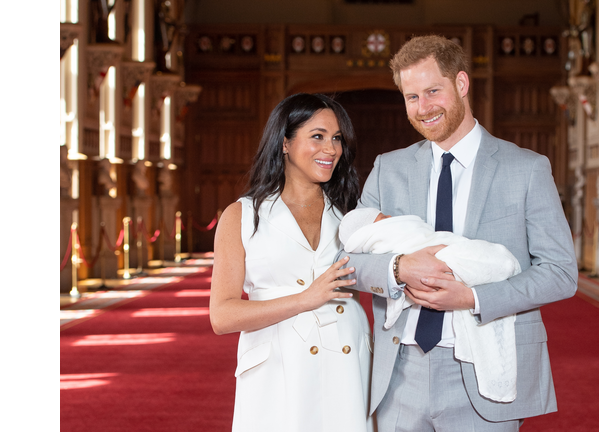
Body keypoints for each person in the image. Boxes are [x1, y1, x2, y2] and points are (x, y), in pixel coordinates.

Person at [337, 35, 578, 431]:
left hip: (484, 370)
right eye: (411, 97)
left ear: (461, 84)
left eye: (433, 91)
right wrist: (399, 268)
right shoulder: (388, 169)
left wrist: (472, 297)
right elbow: (348, 262)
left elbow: (560, 272)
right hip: (401, 372)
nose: (423, 107)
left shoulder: (526, 168)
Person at [209, 93, 374, 432]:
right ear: (285, 142)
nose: (331, 149)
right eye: (318, 136)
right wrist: (304, 300)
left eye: (337, 139)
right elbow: (222, 316)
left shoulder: (351, 213)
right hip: (277, 368)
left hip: (346, 360)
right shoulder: (242, 215)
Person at [339, 207, 522, 403]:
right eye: (383, 218)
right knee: (472, 261)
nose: (391, 218)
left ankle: (499, 263)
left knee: (478, 258)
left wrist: (472, 298)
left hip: (465, 355)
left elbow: (557, 268)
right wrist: (399, 268)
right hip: (401, 361)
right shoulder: (381, 182)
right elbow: (344, 263)